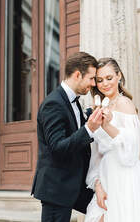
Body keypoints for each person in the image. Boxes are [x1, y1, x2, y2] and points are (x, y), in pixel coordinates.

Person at [84, 57, 140, 222]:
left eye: (109, 78)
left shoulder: (125, 104)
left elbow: (132, 152)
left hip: (125, 177)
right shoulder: (100, 107)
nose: (105, 84)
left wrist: (107, 125)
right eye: (100, 80)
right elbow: (96, 153)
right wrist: (98, 185)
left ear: (119, 76)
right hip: (105, 175)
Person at [31, 52, 103, 222]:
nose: (93, 84)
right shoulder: (53, 104)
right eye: (91, 78)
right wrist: (88, 129)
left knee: (106, 210)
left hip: (76, 184)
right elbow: (57, 148)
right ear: (78, 74)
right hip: (56, 187)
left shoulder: (74, 101)